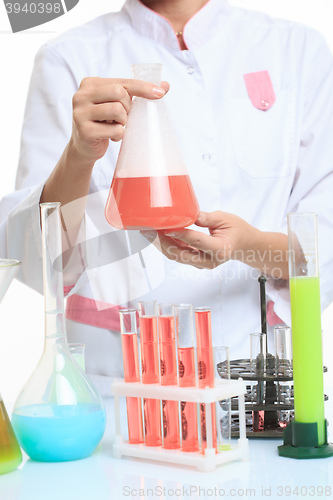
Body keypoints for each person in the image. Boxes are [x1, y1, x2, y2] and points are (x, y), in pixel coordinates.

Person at [1, 0, 333, 394]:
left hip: (255, 382)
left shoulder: (298, 51)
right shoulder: (68, 57)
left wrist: (249, 246)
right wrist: (79, 153)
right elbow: (43, 265)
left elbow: (320, 246)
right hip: (120, 387)